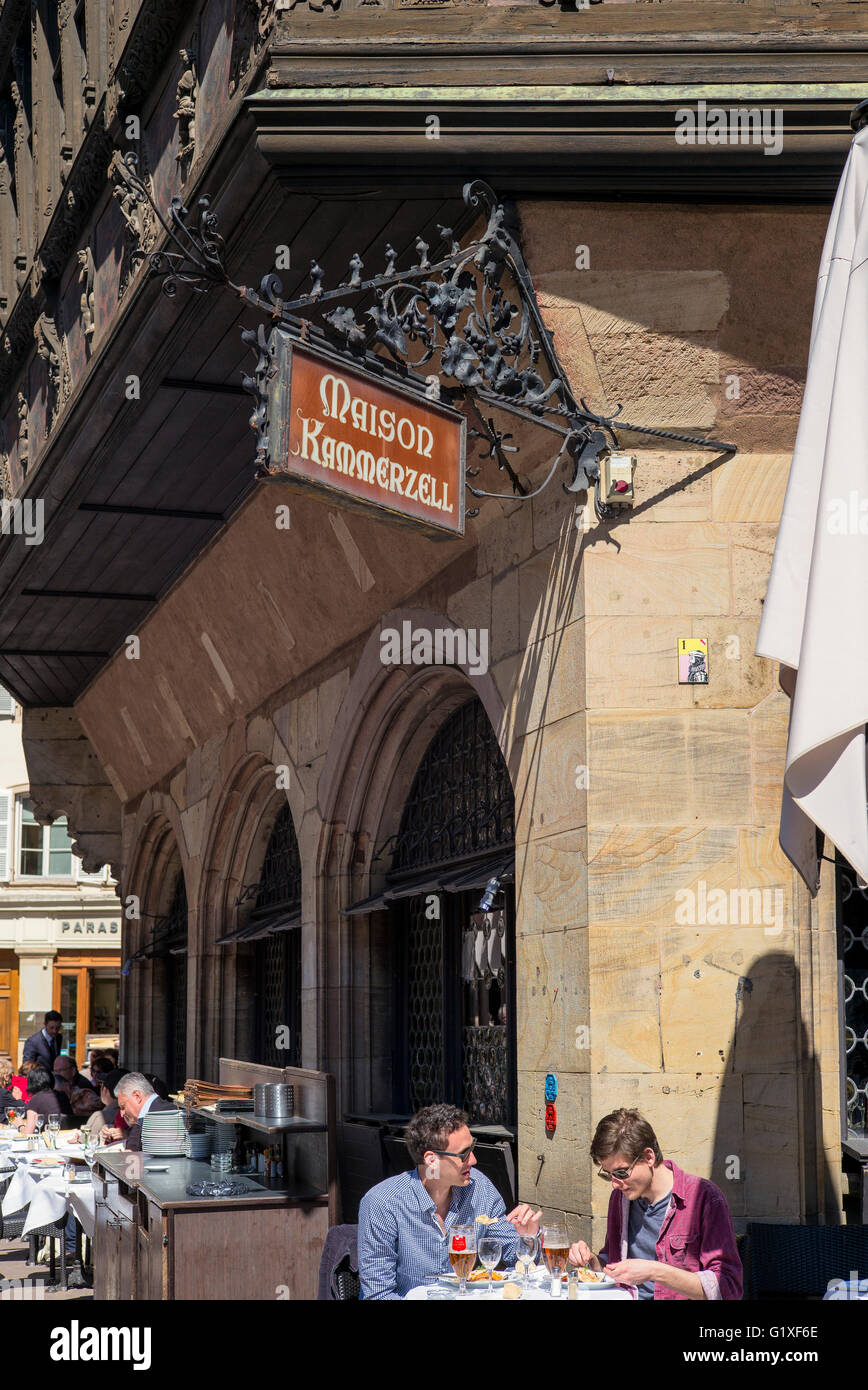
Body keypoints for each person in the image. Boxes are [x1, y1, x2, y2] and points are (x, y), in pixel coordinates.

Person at [358, 1103, 541, 1300]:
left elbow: (514, 1258)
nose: (473, 1160)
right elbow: (378, 1295)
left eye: (472, 1147)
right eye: (464, 1153)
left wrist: (527, 1238)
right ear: (431, 1160)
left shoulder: (480, 1189)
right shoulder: (383, 1204)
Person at [568, 1108, 742, 1301]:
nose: (614, 1183)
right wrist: (592, 1261)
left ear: (648, 1157)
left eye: (621, 1173)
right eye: (608, 1175)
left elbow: (727, 1287)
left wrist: (655, 1272)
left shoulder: (705, 1199)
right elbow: (613, 1264)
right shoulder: (620, 1198)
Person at [104, 1072, 177, 1152]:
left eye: (123, 1106)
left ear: (137, 1096)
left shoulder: (165, 1114)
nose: (122, 1113)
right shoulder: (144, 1116)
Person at [11, 1065, 77, 1134]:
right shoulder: (62, 1095)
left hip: (49, 1139)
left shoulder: (35, 1100)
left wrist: (20, 1125)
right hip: (67, 1137)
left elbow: (28, 1132)